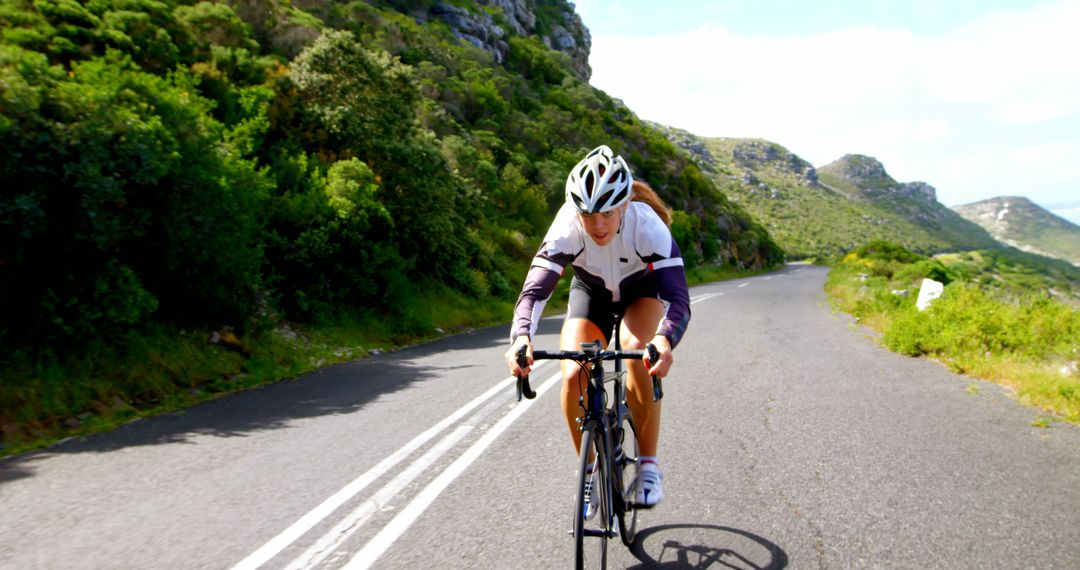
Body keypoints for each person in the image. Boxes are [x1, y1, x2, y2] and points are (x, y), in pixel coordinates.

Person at [504, 145, 691, 510]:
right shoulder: (566, 228)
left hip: (641, 291)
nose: (598, 224)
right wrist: (521, 337)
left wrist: (664, 339)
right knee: (573, 373)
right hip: (591, 293)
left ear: (624, 206)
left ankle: (649, 467)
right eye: (588, 214)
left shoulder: (646, 225)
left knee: (638, 353)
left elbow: (678, 300)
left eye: (607, 212)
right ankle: (589, 472)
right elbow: (534, 293)